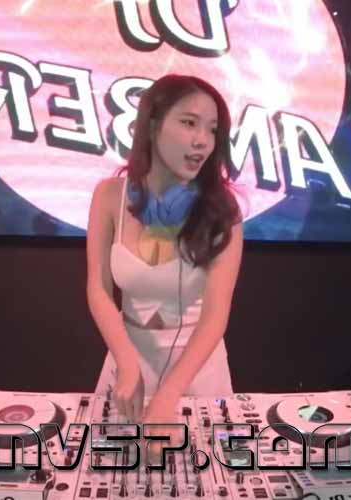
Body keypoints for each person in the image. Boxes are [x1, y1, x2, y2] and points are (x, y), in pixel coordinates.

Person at [86, 74, 243, 431]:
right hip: (127, 362)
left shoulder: (223, 210)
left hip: (198, 368)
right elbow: (98, 288)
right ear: (153, 124)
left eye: (212, 129)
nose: (202, 140)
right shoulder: (109, 196)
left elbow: (215, 316)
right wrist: (126, 363)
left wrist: (168, 395)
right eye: (189, 123)